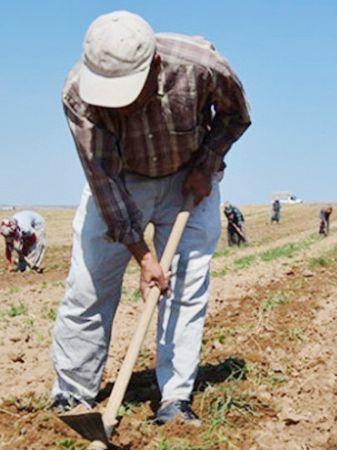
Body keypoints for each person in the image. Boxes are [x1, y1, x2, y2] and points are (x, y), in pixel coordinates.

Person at [51, 11, 250, 426]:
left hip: (189, 174)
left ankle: (174, 400)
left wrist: (207, 163)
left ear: (154, 65)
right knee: (88, 287)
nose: (118, 105)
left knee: (185, 287)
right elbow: (103, 181)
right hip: (122, 177)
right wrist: (143, 256)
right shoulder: (78, 94)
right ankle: (72, 396)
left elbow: (234, 117)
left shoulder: (201, 65)